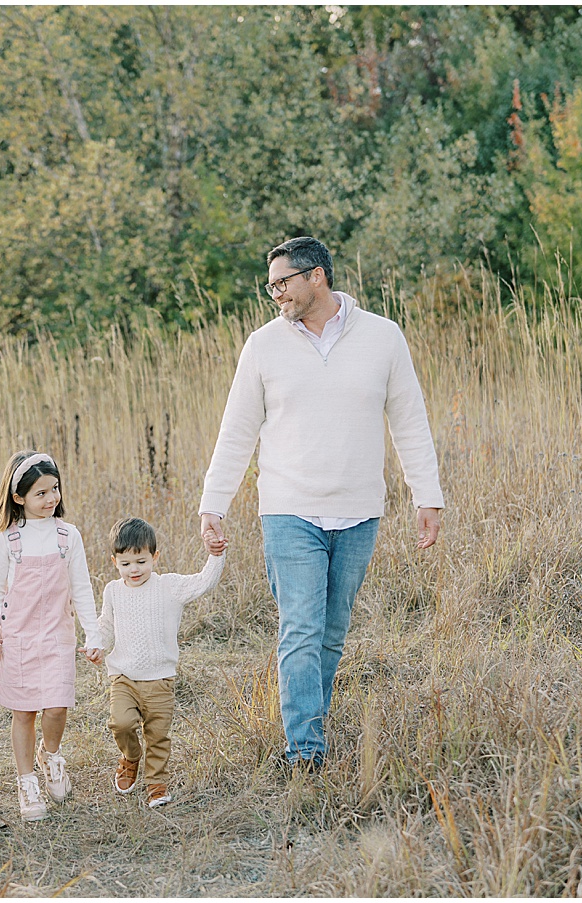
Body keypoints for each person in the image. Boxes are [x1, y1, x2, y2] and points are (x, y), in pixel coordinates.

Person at [199, 236, 443, 772]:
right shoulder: (262, 346)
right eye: (270, 286)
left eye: (283, 282)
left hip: (359, 509)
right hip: (289, 507)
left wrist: (428, 495)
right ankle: (304, 751)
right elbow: (237, 429)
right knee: (301, 627)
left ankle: (313, 722)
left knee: (331, 631)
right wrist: (213, 502)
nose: (275, 293)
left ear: (317, 277)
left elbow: (409, 420)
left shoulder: (383, 337)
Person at [0, 450, 104, 820]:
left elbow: (82, 587)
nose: (51, 499)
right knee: (24, 712)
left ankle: (51, 755)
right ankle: (27, 781)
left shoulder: (68, 536)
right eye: (41, 493)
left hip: (58, 635)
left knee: (57, 705)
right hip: (17, 637)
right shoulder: (8, 539)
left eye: (55, 489)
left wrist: (92, 634)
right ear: (19, 498)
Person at [98, 517, 227, 808]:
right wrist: (96, 646)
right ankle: (131, 757)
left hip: (160, 679)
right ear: (114, 561)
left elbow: (205, 581)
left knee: (158, 735)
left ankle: (156, 783)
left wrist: (216, 554)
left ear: (155, 557)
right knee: (121, 723)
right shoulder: (113, 591)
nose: (134, 570)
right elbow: (106, 626)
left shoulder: (169, 587)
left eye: (141, 561)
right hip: (124, 677)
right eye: (126, 563)